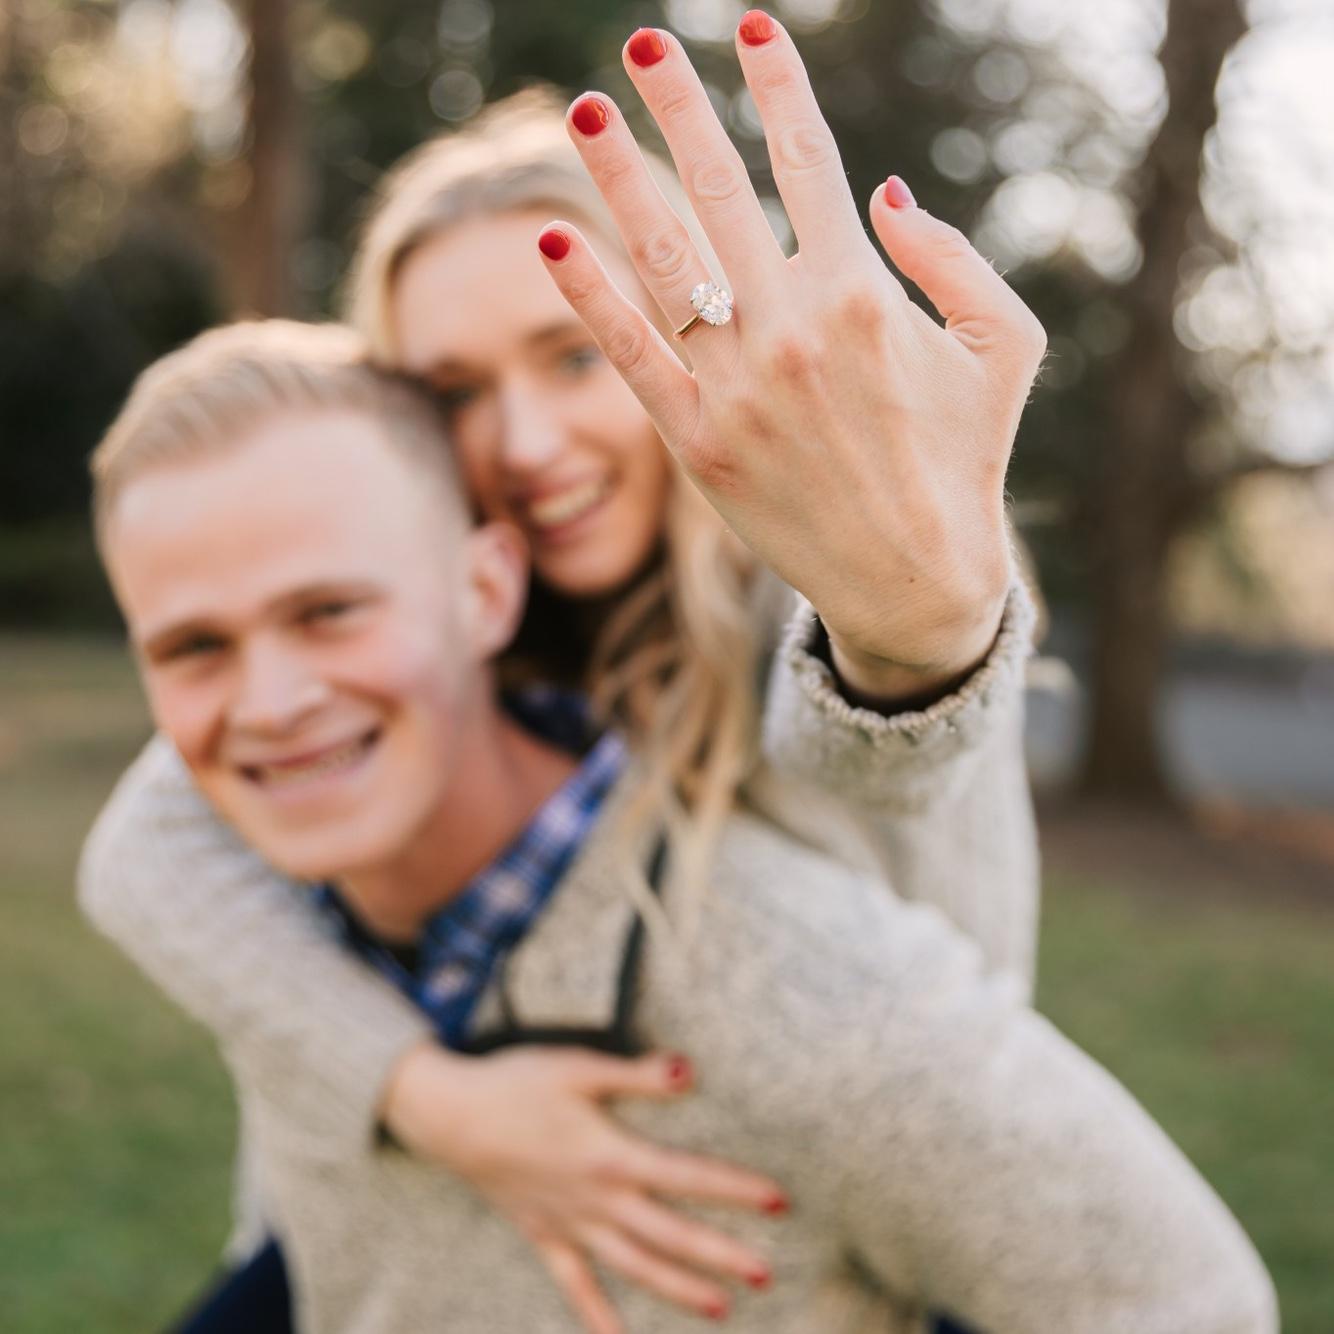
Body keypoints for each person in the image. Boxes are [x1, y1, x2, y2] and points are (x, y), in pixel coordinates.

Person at [83, 16, 1044, 1329]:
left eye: (576, 355)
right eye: (455, 389)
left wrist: (915, 645)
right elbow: (151, 848)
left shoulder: (819, 572)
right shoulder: (438, 609)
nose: (526, 443)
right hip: (382, 1222)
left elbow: (877, 766)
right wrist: (426, 1094)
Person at [90, 318, 1277, 1334]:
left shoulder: (792, 985)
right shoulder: (273, 913)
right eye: (193, 646)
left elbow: (1188, 1303)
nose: (269, 703)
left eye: (329, 611)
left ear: (487, 588)